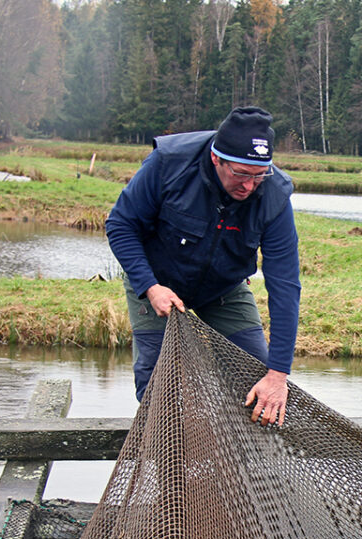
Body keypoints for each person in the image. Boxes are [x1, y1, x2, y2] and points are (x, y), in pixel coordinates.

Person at [106, 106, 300, 427]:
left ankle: (236, 454)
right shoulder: (169, 164)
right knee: (157, 383)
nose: (249, 186)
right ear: (215, 158)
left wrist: (278, 375)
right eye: (241, 174)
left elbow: (285, 285)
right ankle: (170, 452)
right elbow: (121, 225)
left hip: (224, 286)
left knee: (255, 373)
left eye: (259, 175)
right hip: (156, 279)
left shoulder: (274, 194)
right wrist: (150, 287)